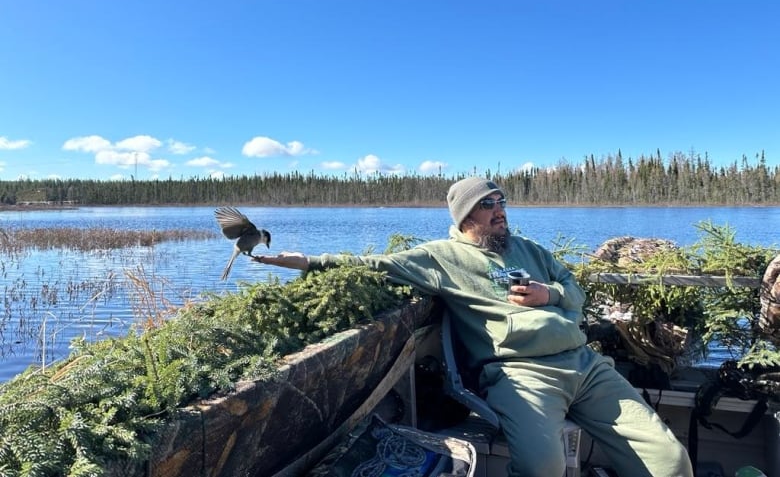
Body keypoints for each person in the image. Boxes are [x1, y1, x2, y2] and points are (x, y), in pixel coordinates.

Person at [253, 176, 694, 477]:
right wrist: (306, 262)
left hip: (585, 365)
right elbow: (375, 265)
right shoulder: (442, 258)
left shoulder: (528, 249)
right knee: (544, 468)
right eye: (488, 204)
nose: (500, 210)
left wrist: (550, 295)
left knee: (671, 461)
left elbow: (574, 289)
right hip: (521, 375)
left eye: (501, 202)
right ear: (466, 215)